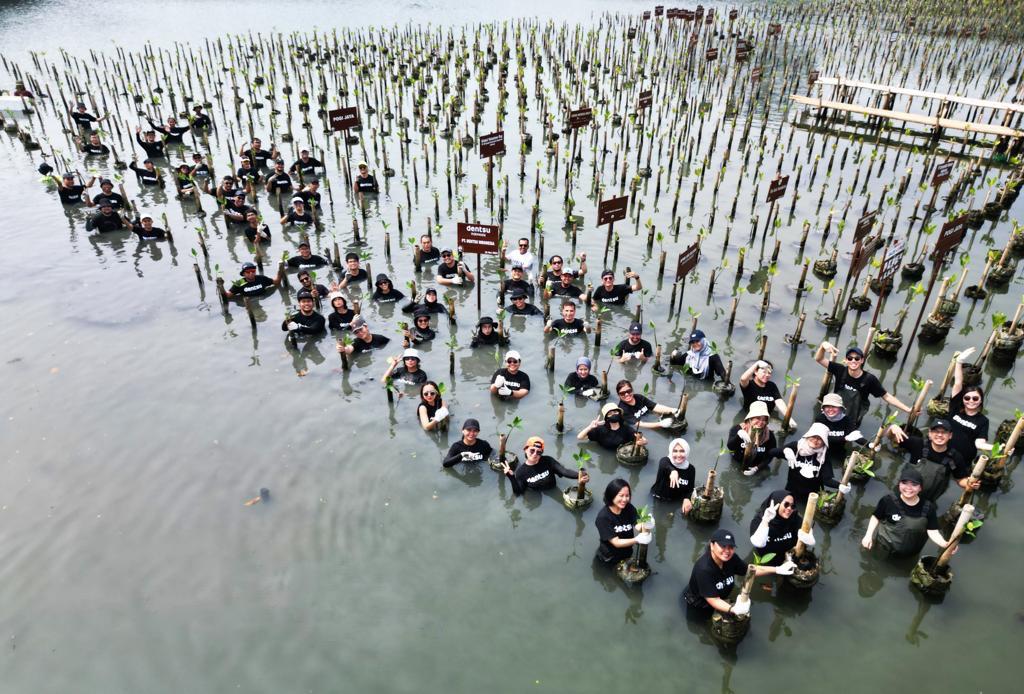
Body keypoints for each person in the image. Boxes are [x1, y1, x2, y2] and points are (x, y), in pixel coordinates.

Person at [682, 528, 795, 622]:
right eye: (723, 546)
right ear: (712, 545)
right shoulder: (704, 569)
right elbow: (713, 600)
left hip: (720, 599)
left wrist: (777, 569)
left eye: (731, 547)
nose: (727, 551)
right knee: (700, 626)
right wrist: (733, 609)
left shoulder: (731, 559)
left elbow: (750, 570)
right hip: (699, 605)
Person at [861, 466, 956, 558]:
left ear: (920, 488)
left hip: (909, 555)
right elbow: (876, 517)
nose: (908, 488)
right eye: (904, 483)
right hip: (883, 549)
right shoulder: (888, 501)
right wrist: (868, 535)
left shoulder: (928, 508)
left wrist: (944, 544)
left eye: (914, 484)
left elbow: (932, 531)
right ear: (899, 485)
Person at [814, 342, 912, 425]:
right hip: (834, 412)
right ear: (846, 360)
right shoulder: (840, 370)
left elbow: (886, 396)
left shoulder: (870, 379)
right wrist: (823, 345)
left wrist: (907, 409)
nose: (853, 361)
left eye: (857, 358)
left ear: (862, 360)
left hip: (853, 418)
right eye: (850, 358)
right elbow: (819, 359)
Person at [887, 418, 974, 503]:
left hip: (925, 502)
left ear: (950, 435)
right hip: (902, 494)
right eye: (936, 431)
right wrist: (892, 428)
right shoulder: (917, 444)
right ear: (929, 433)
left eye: (944, 432)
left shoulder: (955, 457)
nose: (939, 435)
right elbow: (891, 437)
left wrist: (969, 483)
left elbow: (960, 480)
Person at [768, 422, 848, 505]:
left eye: (820, 438)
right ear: (808, 435)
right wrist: (785, 450)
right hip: (791, 491)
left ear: (824, 441)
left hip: (813, 496)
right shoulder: (796, 446)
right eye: (813, 436)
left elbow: (826, 480)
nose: (815, 440)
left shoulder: (824, 455)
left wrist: (840, 486)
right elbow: (771, 452)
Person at [749, 490, 815, 566]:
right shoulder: (758, 521)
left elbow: (806, 532)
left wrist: (809, 538)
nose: (789, 508)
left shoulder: (794, 518)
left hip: (791, 558)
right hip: (768, 563)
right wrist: (766, 520)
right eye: (786, 504)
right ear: (776, 503)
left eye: (792, 506)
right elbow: (758, 543)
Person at [502, 436, 586, 494]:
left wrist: (581, 475)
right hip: (537, 497)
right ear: (525, 450)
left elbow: (564, 471)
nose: (535, 454)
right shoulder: (521, 472)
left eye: (539, 452)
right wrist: (511, 477)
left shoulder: (548, 460)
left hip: (554, 490)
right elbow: (518, 492)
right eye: (532, 450)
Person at [594, 479, 649, 564]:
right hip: (609, 558)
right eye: (621, 495)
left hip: (627, 553)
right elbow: (616, 542)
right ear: (611, 495)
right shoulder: (603, 518)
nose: (624, 499)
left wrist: (647, 524)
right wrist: (637, 539)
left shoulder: (629, 508)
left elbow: (638, 525)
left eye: (627, 496)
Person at [949, 348, 990, 462]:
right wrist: (959, 362)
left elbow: (979, 443)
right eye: (967, 398)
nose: (971, 401)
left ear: (981, 400)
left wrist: (1000, 448)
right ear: (962, 399)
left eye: (975, 398)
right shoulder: (955, 407)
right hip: (944, 452)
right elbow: (958, 383)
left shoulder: (983, 421)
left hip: (962, 460)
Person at [814, 393, 868, 467]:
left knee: (843, 466)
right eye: (827, 406)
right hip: (821, 450)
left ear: (840, 408)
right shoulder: (820, 418)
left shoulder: (847, 420)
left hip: (839, 451)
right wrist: (844, 438)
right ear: (823, 408)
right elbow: (823, 439)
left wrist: (870, 444)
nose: (830, 409)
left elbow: (855, 436)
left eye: (834, 406)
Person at [728, 401, 779, 474]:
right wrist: (738, 436)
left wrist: (757, 468)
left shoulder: (769, 435)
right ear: (750, 419)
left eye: (764, 419)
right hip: (736, 464)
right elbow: (730, 447)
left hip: (756, 467)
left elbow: (770, 456)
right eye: (758, 418)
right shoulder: (737, 429)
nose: (761, 422)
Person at [651, 438, 696, 515]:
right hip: (657, 499)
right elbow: (663, 464)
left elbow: (690, 489)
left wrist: (687, 499)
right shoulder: (665, 461)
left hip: (675, 501)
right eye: (675, 451)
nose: (678, 455)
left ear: (687, 452)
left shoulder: (691, 469)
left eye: (682, 451)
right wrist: (673, 471)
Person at [578, 403, 645, 450]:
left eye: (615, 412)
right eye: (610, 414)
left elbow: (644, 440)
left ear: (619, 413)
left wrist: (642, 442)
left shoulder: (626, 429)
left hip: (622, 454)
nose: (613, 415)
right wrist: (590, 427)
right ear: (606, 417)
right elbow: (580, 437)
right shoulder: (600, 430)